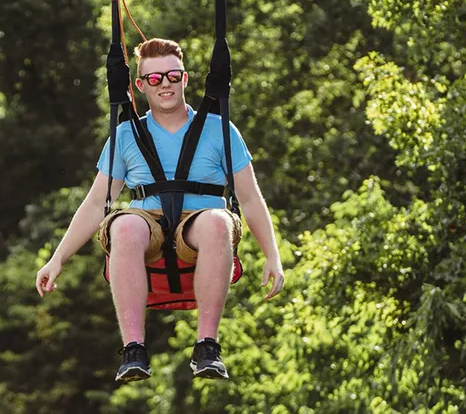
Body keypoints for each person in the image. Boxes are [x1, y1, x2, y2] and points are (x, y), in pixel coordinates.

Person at [34, 38, 285, 382]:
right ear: (140, 86)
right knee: (123, 226)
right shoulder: (125, 135)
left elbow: (251, 198)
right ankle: (134, 349)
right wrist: (57, 259)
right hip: (146, 224)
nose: (164, 84)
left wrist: (273, 255)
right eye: (154, 79)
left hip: (199, 226)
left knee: (216, 223)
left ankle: (207, 346)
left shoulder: (220, 130)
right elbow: (96, 203)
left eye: (171, 76)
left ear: (184, 78)